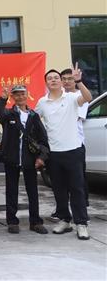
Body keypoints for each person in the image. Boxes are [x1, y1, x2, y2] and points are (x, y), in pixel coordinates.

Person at [35, 66, 92, 239]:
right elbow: (33, 121)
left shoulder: (72, 97)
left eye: (56, 77)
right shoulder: (42, 102)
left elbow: (88, 98)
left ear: (61, 81)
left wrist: (78, 81)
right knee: (59, 189)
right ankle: (65, 220)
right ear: (46, 83)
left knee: (77, 188)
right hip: (53, 153)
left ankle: (81, 223)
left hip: (73, 150)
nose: (53, 80)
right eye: (49, 78)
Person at [0, 85, 49, 235]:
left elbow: (43, 140)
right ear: (12, 97)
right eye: (16, 94)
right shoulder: (8, 114)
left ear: (27, 95)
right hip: (11, 158)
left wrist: (42, 157)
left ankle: (35, 222)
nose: (20, 97)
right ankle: (12, 222)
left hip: (30, 159)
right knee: (11, 191)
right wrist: (2, 98)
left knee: (33, 191)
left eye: (22, 94)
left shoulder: (34, 116)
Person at [61, 68, 90, 211]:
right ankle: (62, 209)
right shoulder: (58, 96)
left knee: (78, 179)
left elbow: (76, 116)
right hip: (59, 145)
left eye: (70, 79)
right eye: (64, 79)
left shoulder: (80, 95)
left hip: (76, 144)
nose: (66, 82)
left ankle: (83, 207)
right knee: (62, 180)